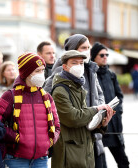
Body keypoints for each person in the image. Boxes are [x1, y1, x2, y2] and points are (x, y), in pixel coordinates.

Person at [43, 34, 106, 167]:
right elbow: (51, 101)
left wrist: (101, 114)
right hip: (71, 137)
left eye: (88, 47)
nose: (87, 50)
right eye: (83, 47)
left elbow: (100, 94)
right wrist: (94, 111)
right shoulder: (60, 77)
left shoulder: (90, 70)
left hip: (90, 130)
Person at [51, 50, 113, 168]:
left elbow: (85, 121)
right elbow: (73, 118)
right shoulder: (60, 90)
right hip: (69, 154)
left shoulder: (78, 87)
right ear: (65, 67)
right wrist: (96, 109)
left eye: (81, 63)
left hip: (83, 152)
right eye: (74, 63)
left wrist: (102, 124)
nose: (79, 66)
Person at [0, 53, 60, 168]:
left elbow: (56, 125)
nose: (41, 74)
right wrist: (16, 138)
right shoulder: (10, 96)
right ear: (26, 73)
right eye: (37, 71)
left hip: (41, 159)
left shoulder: (46, 97)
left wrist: (49, 141)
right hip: (16, 159)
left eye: (42, 70)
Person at [91, 42, 130, 168]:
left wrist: (118, 111)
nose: (105, 57)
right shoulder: (90, 75)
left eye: (106, 54)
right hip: (99, 126)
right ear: (94, 57)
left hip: (114, 124)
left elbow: (119, 95)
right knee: (101, 164)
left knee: (123, 161)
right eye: (101, 55)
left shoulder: (111, 74)